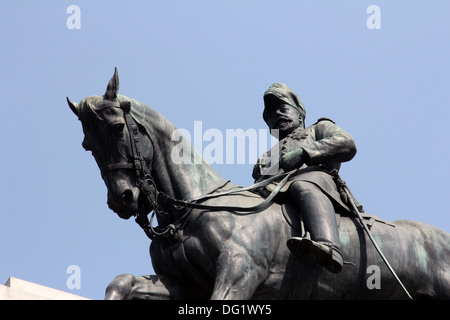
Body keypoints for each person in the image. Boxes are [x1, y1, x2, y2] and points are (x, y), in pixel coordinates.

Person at [253, 83, 359, 273]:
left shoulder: (319, 128)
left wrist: (304, 153)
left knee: (302, 184)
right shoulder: (267, 157)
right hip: (278, 195)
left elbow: (347, 144)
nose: (277, 115)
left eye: (283, 109)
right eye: (271, 115)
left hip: (320, 183)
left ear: (300, 114)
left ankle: (328, 247)